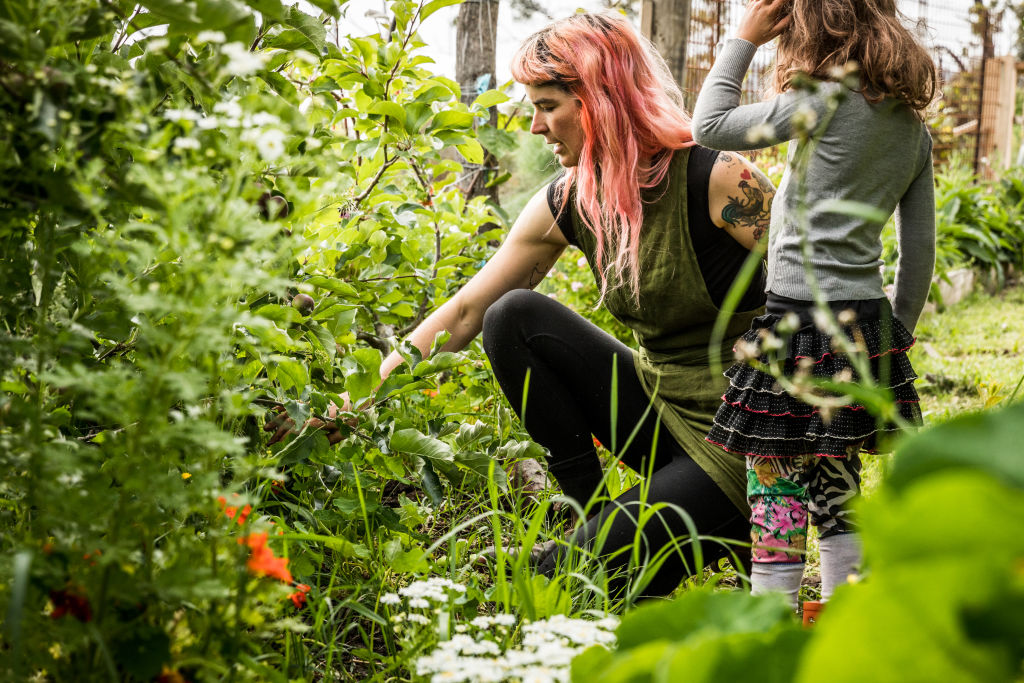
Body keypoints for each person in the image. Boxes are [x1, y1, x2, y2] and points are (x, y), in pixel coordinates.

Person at [272, 11, 776, 599]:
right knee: (512, 316)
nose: (535, 125)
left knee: (561, 578)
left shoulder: (718, 178)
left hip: (746, 439)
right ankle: (591, 513)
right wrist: (355, 406)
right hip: (663, 413)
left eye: (547, 104)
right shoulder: (571, 200)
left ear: (600, 99)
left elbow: (828, 285)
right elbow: (464, 314)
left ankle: (693, 534)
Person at [691, 0, 936, 612]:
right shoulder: (912, 129)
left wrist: (743, 38)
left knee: (775, 486)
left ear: (808, 31)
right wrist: (893, 333)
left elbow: (710, 126)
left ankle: (769, 631)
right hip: (863, 326)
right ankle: (838, 628)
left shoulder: (820, 101)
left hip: (795, 321)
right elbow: (920, 249)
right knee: (838, 485)